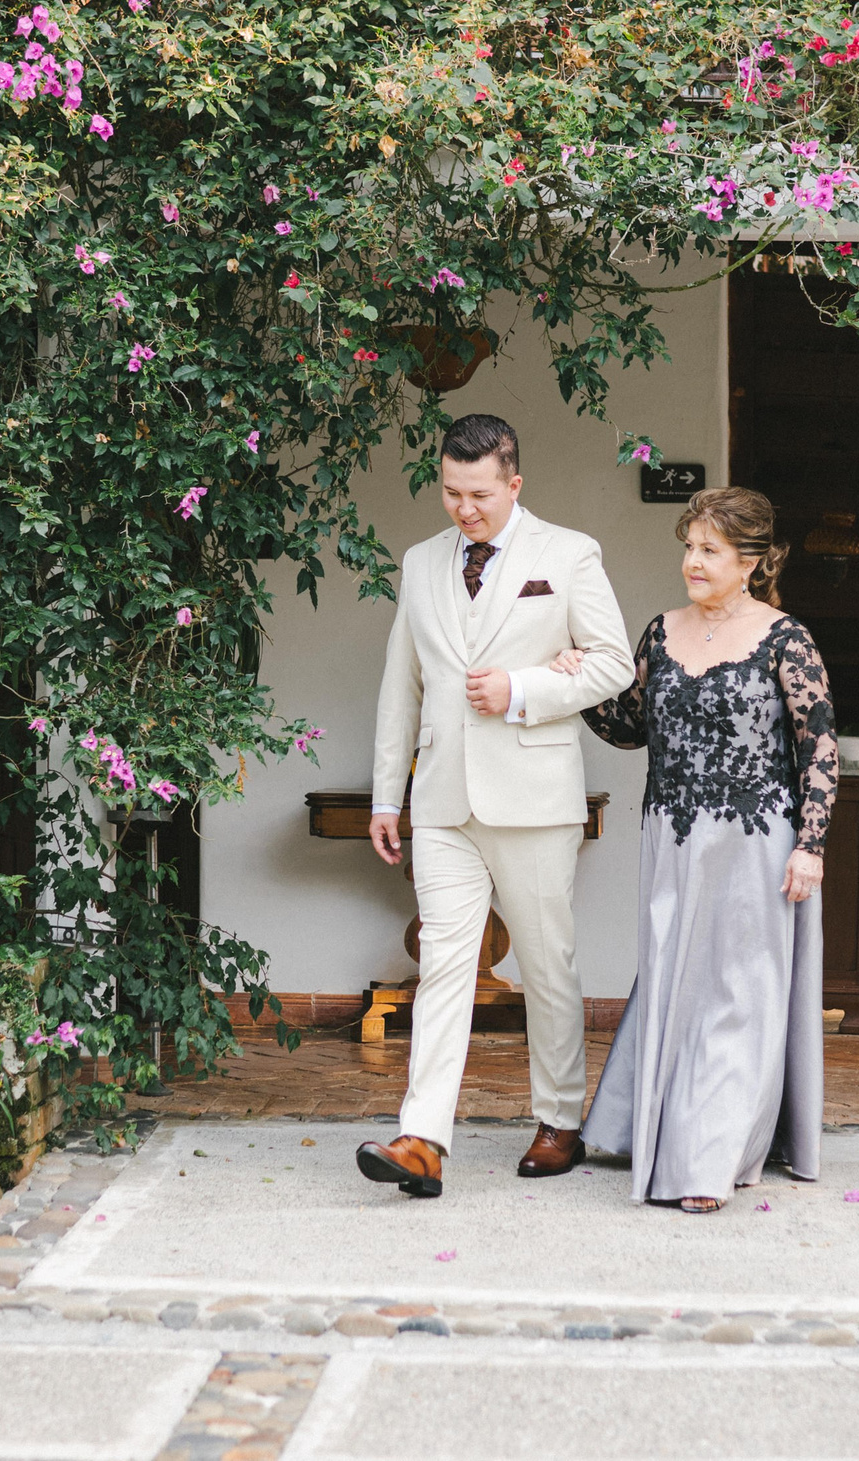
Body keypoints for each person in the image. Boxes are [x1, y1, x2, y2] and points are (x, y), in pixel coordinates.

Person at [355, 414, 635, 1199]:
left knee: (548, 963)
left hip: (535, 797)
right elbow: (399, 687)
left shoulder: (569, 554)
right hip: (442, 799)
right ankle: (423, 1138)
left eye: (479, 493)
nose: (463, 508)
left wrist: (526, 689)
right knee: (446, 963)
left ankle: (558, 1119)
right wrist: (388, 793)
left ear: (514, 483)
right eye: (450, 491)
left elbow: (614, 663)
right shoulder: (419, 563)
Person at [551, 485, 835, 1212]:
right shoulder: (661, 631)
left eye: (709, 549)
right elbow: (629, 726)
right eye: (689, 546)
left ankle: (706, 1161)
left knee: (738, 997)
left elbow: (819, 749)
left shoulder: (786, 638)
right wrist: (578, 680)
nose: (692, 561)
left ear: (750, 560)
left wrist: (810, 845)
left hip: (757, 843)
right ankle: (656, 1123)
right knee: (677, 982)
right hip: (673, 838)